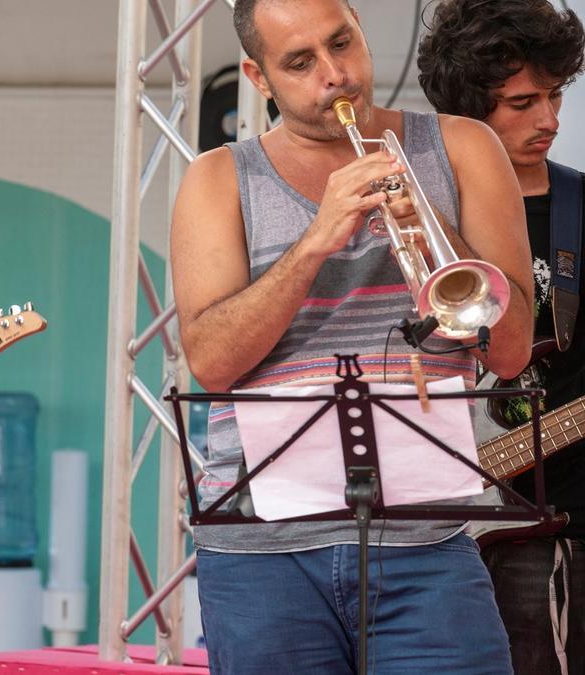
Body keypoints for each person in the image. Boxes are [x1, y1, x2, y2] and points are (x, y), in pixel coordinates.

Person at [170, 0, 534, 672]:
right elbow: (212, 361)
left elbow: (509, 351)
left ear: (363, 31)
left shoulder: (461, 147)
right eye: (300, 62)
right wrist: (315, 240)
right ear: (258, 75)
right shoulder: (219, 178)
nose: (334, 75)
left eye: (342, 44)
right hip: (262, 554)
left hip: (428, 542)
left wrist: (429, 221)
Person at [419, 2, 585, 673]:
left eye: (554, 96)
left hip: (560, 522)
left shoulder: (576, 208)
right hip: (429, 527)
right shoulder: (415, 208)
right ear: (468, 110)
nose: (548, 120)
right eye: (522, 102)